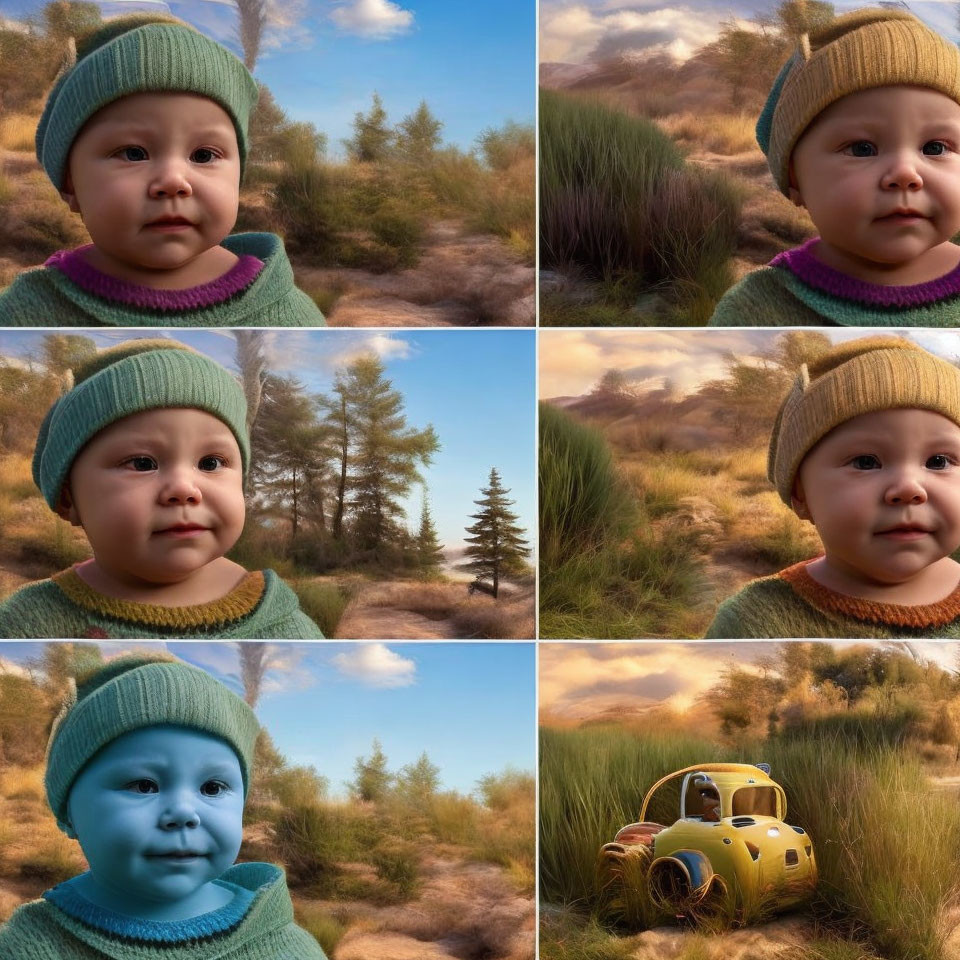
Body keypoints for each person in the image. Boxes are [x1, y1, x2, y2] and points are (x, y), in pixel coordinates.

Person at [0, 14, 326, 327]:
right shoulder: (27, 312)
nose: (173, 181)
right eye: (133, 153)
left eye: (202, 155)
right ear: (70, 185)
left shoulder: (286, 312)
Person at [0, 652, 329, 958]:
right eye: (144, 786)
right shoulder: (30, 946)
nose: (185, 813)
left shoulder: (286, 946)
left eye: (212, 788)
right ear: (69, 813)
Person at [0, 339, 324, 638]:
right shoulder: (30, 623)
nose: (184, 489)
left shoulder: (280, 625)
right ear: (68, 499)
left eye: (210, 463)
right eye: (142, 463)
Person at [709, 9, 960, 327]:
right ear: (795, 179)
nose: (905, 174)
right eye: (862, 149)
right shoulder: (756, 309)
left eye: (935, 148)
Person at [706, 337, 960, 638]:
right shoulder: (754, 623)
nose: (908, 488)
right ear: (801, 495)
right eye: (866, 462)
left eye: (938, 461)